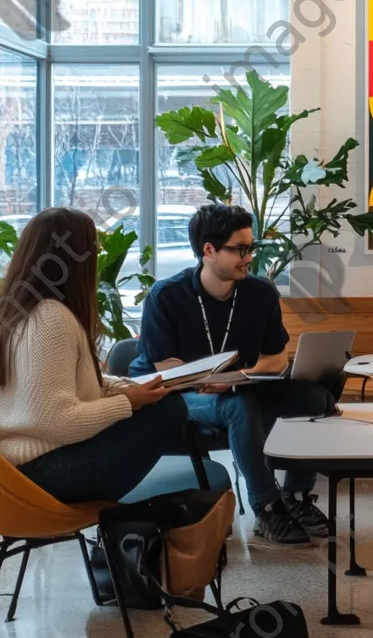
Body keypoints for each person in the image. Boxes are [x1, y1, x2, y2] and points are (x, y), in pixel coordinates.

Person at [129, 203, 333, 549]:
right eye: (239, 249)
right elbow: (167, 371)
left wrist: (235, 376)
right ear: (208, 250)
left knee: (316, 399)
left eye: (250, 247)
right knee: (237, 406)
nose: (248, 257)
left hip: (239, 387)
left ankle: (296, 497)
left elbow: (276, 358)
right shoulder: (167, 296)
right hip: (178, 396)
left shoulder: (259, 293)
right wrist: (208, 382)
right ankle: (266, 507)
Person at [0, 208, 191, 504]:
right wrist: (127, 402)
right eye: (94, 248)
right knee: (170, 409)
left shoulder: (17, 313)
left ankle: (140, 522)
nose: (98, 257)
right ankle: (141, 521)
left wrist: (127, 389)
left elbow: (67, 388)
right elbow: (57, 420)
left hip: (16, 470)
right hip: (44, 473)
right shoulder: (51, 319)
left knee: (162, 405)